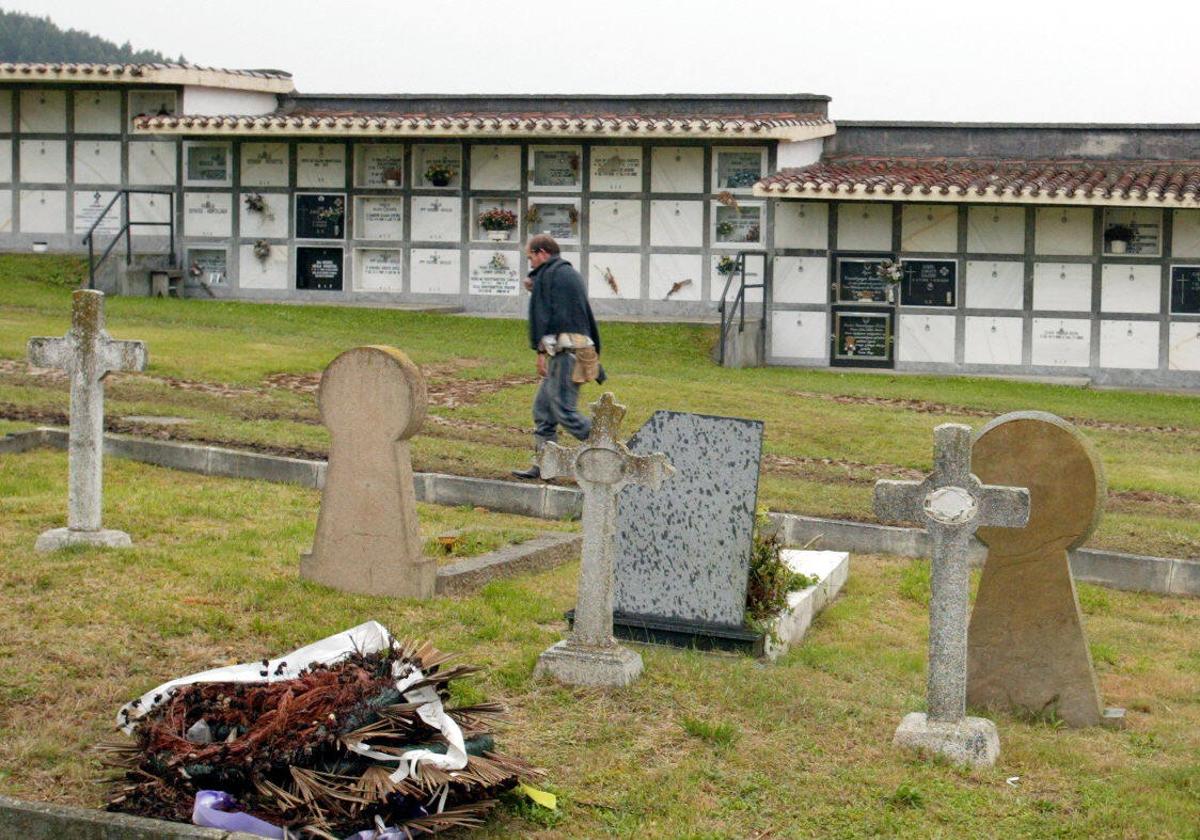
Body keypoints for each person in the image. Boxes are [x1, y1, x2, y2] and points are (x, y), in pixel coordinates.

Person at [512, 234, 604, 480]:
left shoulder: (551, 276)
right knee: (543, 410)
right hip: (577, 351)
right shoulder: (566, 274)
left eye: (531, 257)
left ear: (542, 253)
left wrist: (540, 352)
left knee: (564, 411)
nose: (530, 263)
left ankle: (609, 450)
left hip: (567, 354)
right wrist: (534, 281)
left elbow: (545, 316)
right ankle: (545, 466)